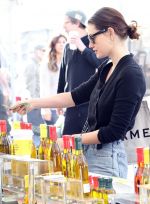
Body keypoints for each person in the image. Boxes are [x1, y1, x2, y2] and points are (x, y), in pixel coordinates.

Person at [10, 7, 146, 178]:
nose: (89, 44)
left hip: (107, 159)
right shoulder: (107, 68)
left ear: (110, 32)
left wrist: (70, 140)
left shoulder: (130, 73)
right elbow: (74, 96)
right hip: (90, 153)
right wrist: (33, 103)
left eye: (92, 38)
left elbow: (114, 131)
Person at [57, 10, 105, 135]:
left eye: (66, 22)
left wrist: (82, 47)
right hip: (70, 102)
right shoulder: (67, 46)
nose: (63, 26)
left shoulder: (93, 43)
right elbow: (62, 74)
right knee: (68, 141)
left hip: (89, 103)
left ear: (77, 23)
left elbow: (100, 64)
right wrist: (58, 98)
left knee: (86, 143)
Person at [40, 34, 67, 125]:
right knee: (53, 137)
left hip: (67, 106)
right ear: (53, 45)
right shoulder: (46, 64)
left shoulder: (69, 63)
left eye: (64, 42)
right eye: (59, 42)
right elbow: (44, 87)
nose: (62, 44)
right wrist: (45, 109)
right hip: (52, 106)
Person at [24, 45, 46, 147]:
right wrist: (34, 103)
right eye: (43, 50)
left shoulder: (37, 64)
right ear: (37, 51)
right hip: (34, 104)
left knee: (39, 131)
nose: (44, 53)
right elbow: (30, 86)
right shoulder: (31, 65)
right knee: (36, 131)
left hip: (38, 103)